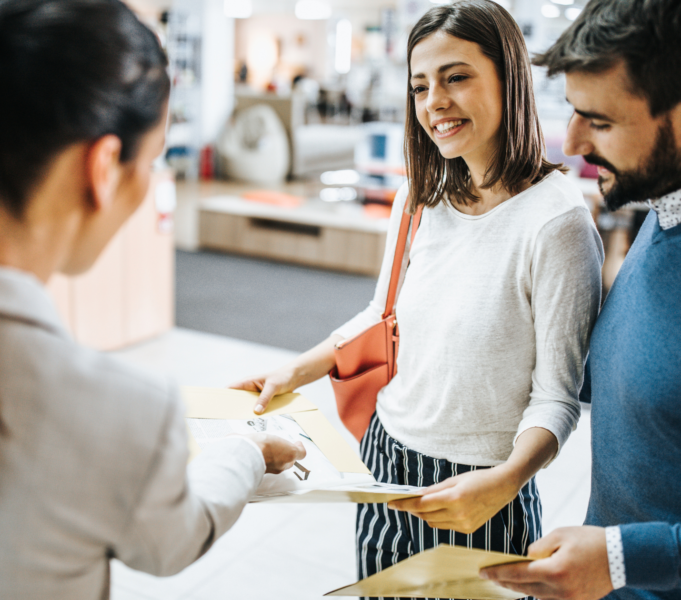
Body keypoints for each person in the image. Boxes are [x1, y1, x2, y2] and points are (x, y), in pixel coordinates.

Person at [0, 1, 305, 598]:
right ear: (103, 166)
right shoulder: (114, 408)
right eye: (151, 162)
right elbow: (172, 539)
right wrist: (248, 451)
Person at [232, 0, 603, 595]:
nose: (435, 102)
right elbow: (384, 315)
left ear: (509, 77)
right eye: (420, 85)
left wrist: (506, 481)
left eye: (456, 77)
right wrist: (295, 370)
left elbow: (557, 398)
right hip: (388, 465)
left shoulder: (556, 222)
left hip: (484, 489)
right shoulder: (420, 196)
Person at [481, 1, 681, 599]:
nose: (571, 142)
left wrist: (622, 558)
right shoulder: (663, 208)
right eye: (572, 110)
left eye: (599, 120)